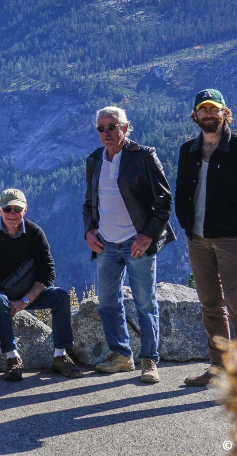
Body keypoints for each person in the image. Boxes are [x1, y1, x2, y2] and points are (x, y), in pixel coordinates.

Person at [176, 89, 237, 387]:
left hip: (231, 239)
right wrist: (185, 222)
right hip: (197, 238)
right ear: (195, 115)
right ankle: (218, 366)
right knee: (210, 305)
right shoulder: (188, 150)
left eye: (214, 109)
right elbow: (183, 190)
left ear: (224, 113)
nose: (208, 114)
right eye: (203, 110)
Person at [83, 106, 176, 384]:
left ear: (126, 127)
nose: (107, 133)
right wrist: (89, 230)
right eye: (101, 128)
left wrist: (147, 235)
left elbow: (165, 201)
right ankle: (122, 355)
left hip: (137, 242)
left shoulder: (144, 156)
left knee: (145, 302)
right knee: (107, 303)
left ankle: (150, 359)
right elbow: (89, 203)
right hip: (106, 244)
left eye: (112, 126)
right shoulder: (94, 159)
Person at [0, 188, 83, 381]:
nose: (12, 214)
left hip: (27, 292)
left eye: (16, 209)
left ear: (25, 210)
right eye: (7, 208)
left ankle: (60, 355)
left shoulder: (35, 233)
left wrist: (25, 300)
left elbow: (47, 272)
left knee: (60, 296)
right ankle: (12, 358)